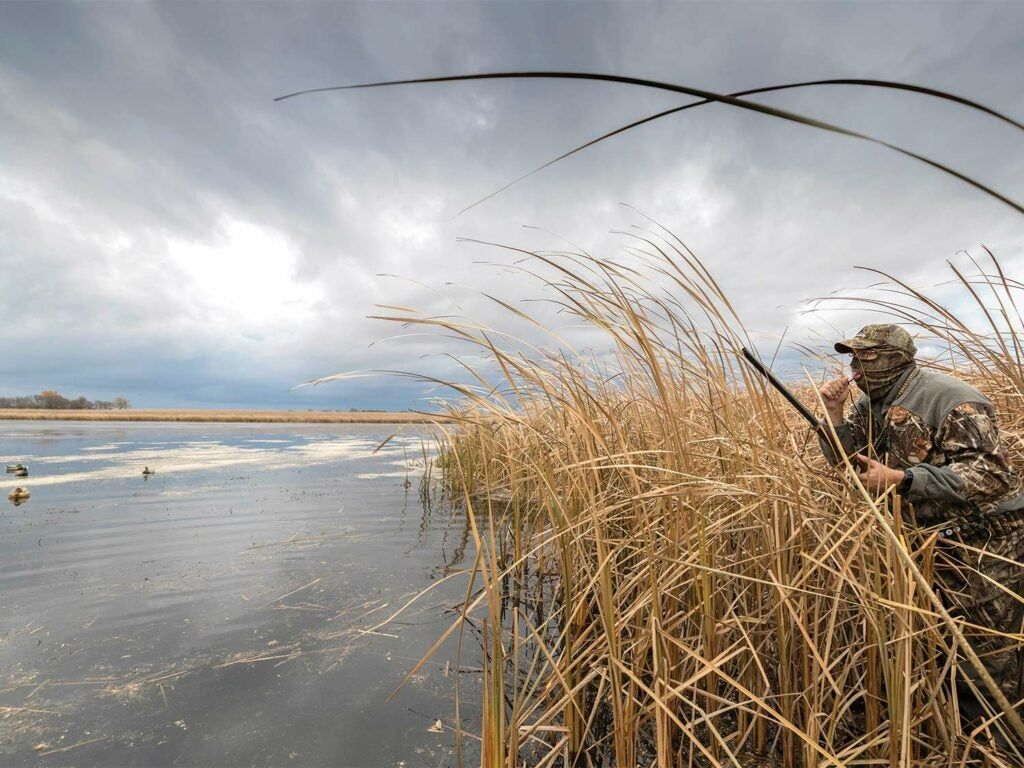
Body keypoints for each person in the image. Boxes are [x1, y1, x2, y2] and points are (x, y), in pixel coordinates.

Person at [818, 323, 1024, 744]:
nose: (856, 367)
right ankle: (959, 737)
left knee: (986, 648)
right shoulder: (869, 403)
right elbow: (850, 463)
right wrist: (835, 415)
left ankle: (998, 744)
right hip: (933, 537)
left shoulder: (951, 399)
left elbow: (993, 475)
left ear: (897, 358)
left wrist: (902, 478)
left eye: (867, 357)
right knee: (942, 639)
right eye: (853, 358)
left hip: (987, 539)